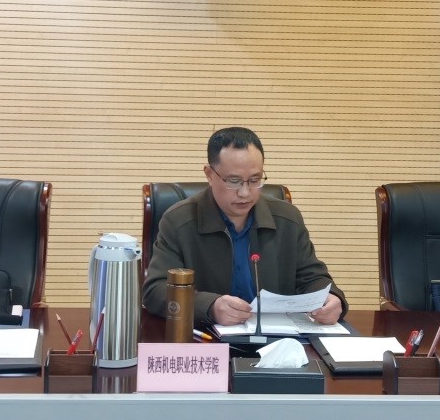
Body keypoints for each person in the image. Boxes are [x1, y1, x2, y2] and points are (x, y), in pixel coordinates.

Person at [142, 127, 347, 326]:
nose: (245, 193)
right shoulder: (179, 221)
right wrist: (210, 306)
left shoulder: (287, 219)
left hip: (279, 338)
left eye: (255, 180)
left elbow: (312, 277)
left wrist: (331, 298)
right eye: (234, 181)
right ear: (209, 174)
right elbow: (155, 291)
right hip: (209, 338)